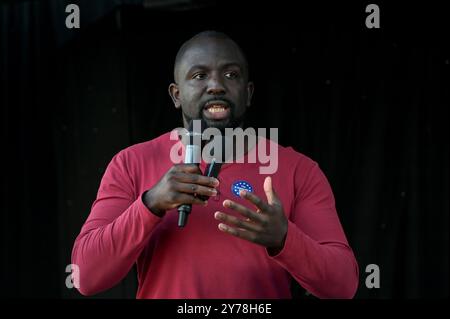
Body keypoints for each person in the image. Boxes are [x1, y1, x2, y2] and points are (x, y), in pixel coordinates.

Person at [71, 31, 359, 298]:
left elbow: (343, 284)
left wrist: (285, 239)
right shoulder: (130, 164)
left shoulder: (299, 170)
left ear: (248, 93)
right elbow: (87, 276)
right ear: (176, 94)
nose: (216, 86)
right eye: (199, 75)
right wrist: (150, 203)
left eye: (231, 74)